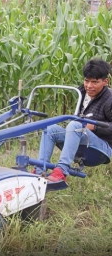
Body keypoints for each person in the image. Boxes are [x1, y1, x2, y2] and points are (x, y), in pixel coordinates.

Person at [33, 58, 112, 191]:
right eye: (87, 81)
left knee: (75, 126)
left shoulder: (109, 99)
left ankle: (61, 172)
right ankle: (40, 170)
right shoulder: (81, 93)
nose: (89, 86)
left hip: (102, 148)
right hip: (82, 139)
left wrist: (94, 127)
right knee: (51, 129)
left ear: (105, 82)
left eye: (95, 82)